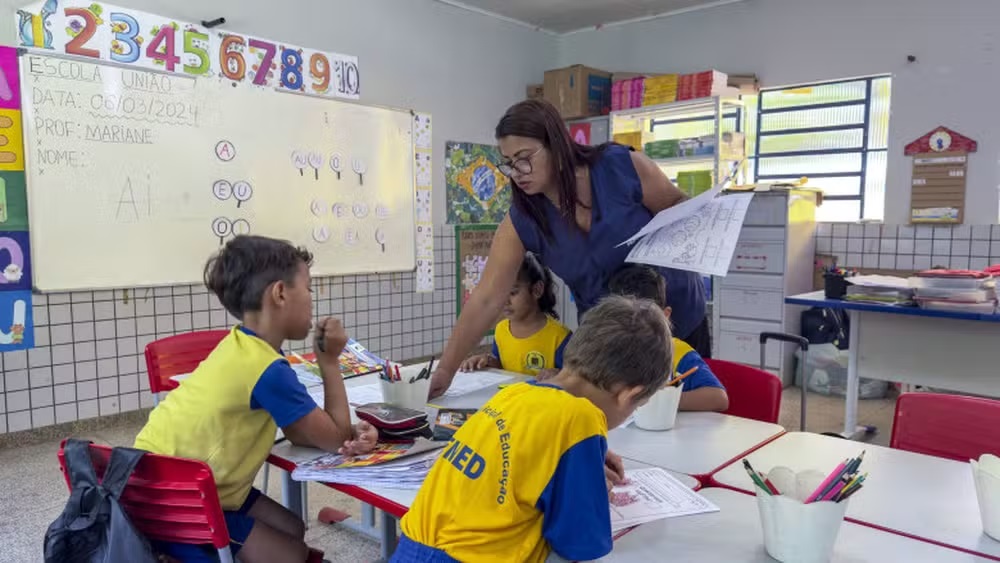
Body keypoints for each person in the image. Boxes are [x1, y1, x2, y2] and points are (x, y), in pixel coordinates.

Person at [430, 98, 708, 398]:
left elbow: (677, 205)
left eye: (524, 157)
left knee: (683, 414)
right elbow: (485, 299)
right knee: (621, 422)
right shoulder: (524, 218)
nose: (517, 171)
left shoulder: (620, 167)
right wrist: (444, 371)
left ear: (556, 145)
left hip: (675, 316)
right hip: (610, 338)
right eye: (509, 163)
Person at [134, 235, 378, 563]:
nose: (311, 299)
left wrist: (339, 428)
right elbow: (334, 439)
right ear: (279, 293)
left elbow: (298, 431)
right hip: (176, 502)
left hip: (155, 480)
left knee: (292, 527)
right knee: (292, 553)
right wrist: (330, 361)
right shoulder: (267, 369)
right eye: (308, 288)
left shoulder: (241, 345)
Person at [393, 296, 672, 562]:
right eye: (636, 406)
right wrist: (591, 489)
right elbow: (581, 542)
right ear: (627, 394)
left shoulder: (514, 394)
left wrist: (581, 462)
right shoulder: (581, 418)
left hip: (411, 547)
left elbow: (522, 461)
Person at [608, 264, 729, 412]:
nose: (633, 330)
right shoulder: (609, 354)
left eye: (644, 319)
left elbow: (718, 399)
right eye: (624, 320)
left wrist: (664, 400)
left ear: (665, 315)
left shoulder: (674, 351)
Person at [459, 252, 571, 377]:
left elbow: (575, 379)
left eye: (512, 293)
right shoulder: (501, 330)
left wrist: (558, 375)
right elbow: (503, 367)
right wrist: (487, 362)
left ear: (537, 290)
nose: (505, 301)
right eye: (501, 293)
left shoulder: (560, 338)